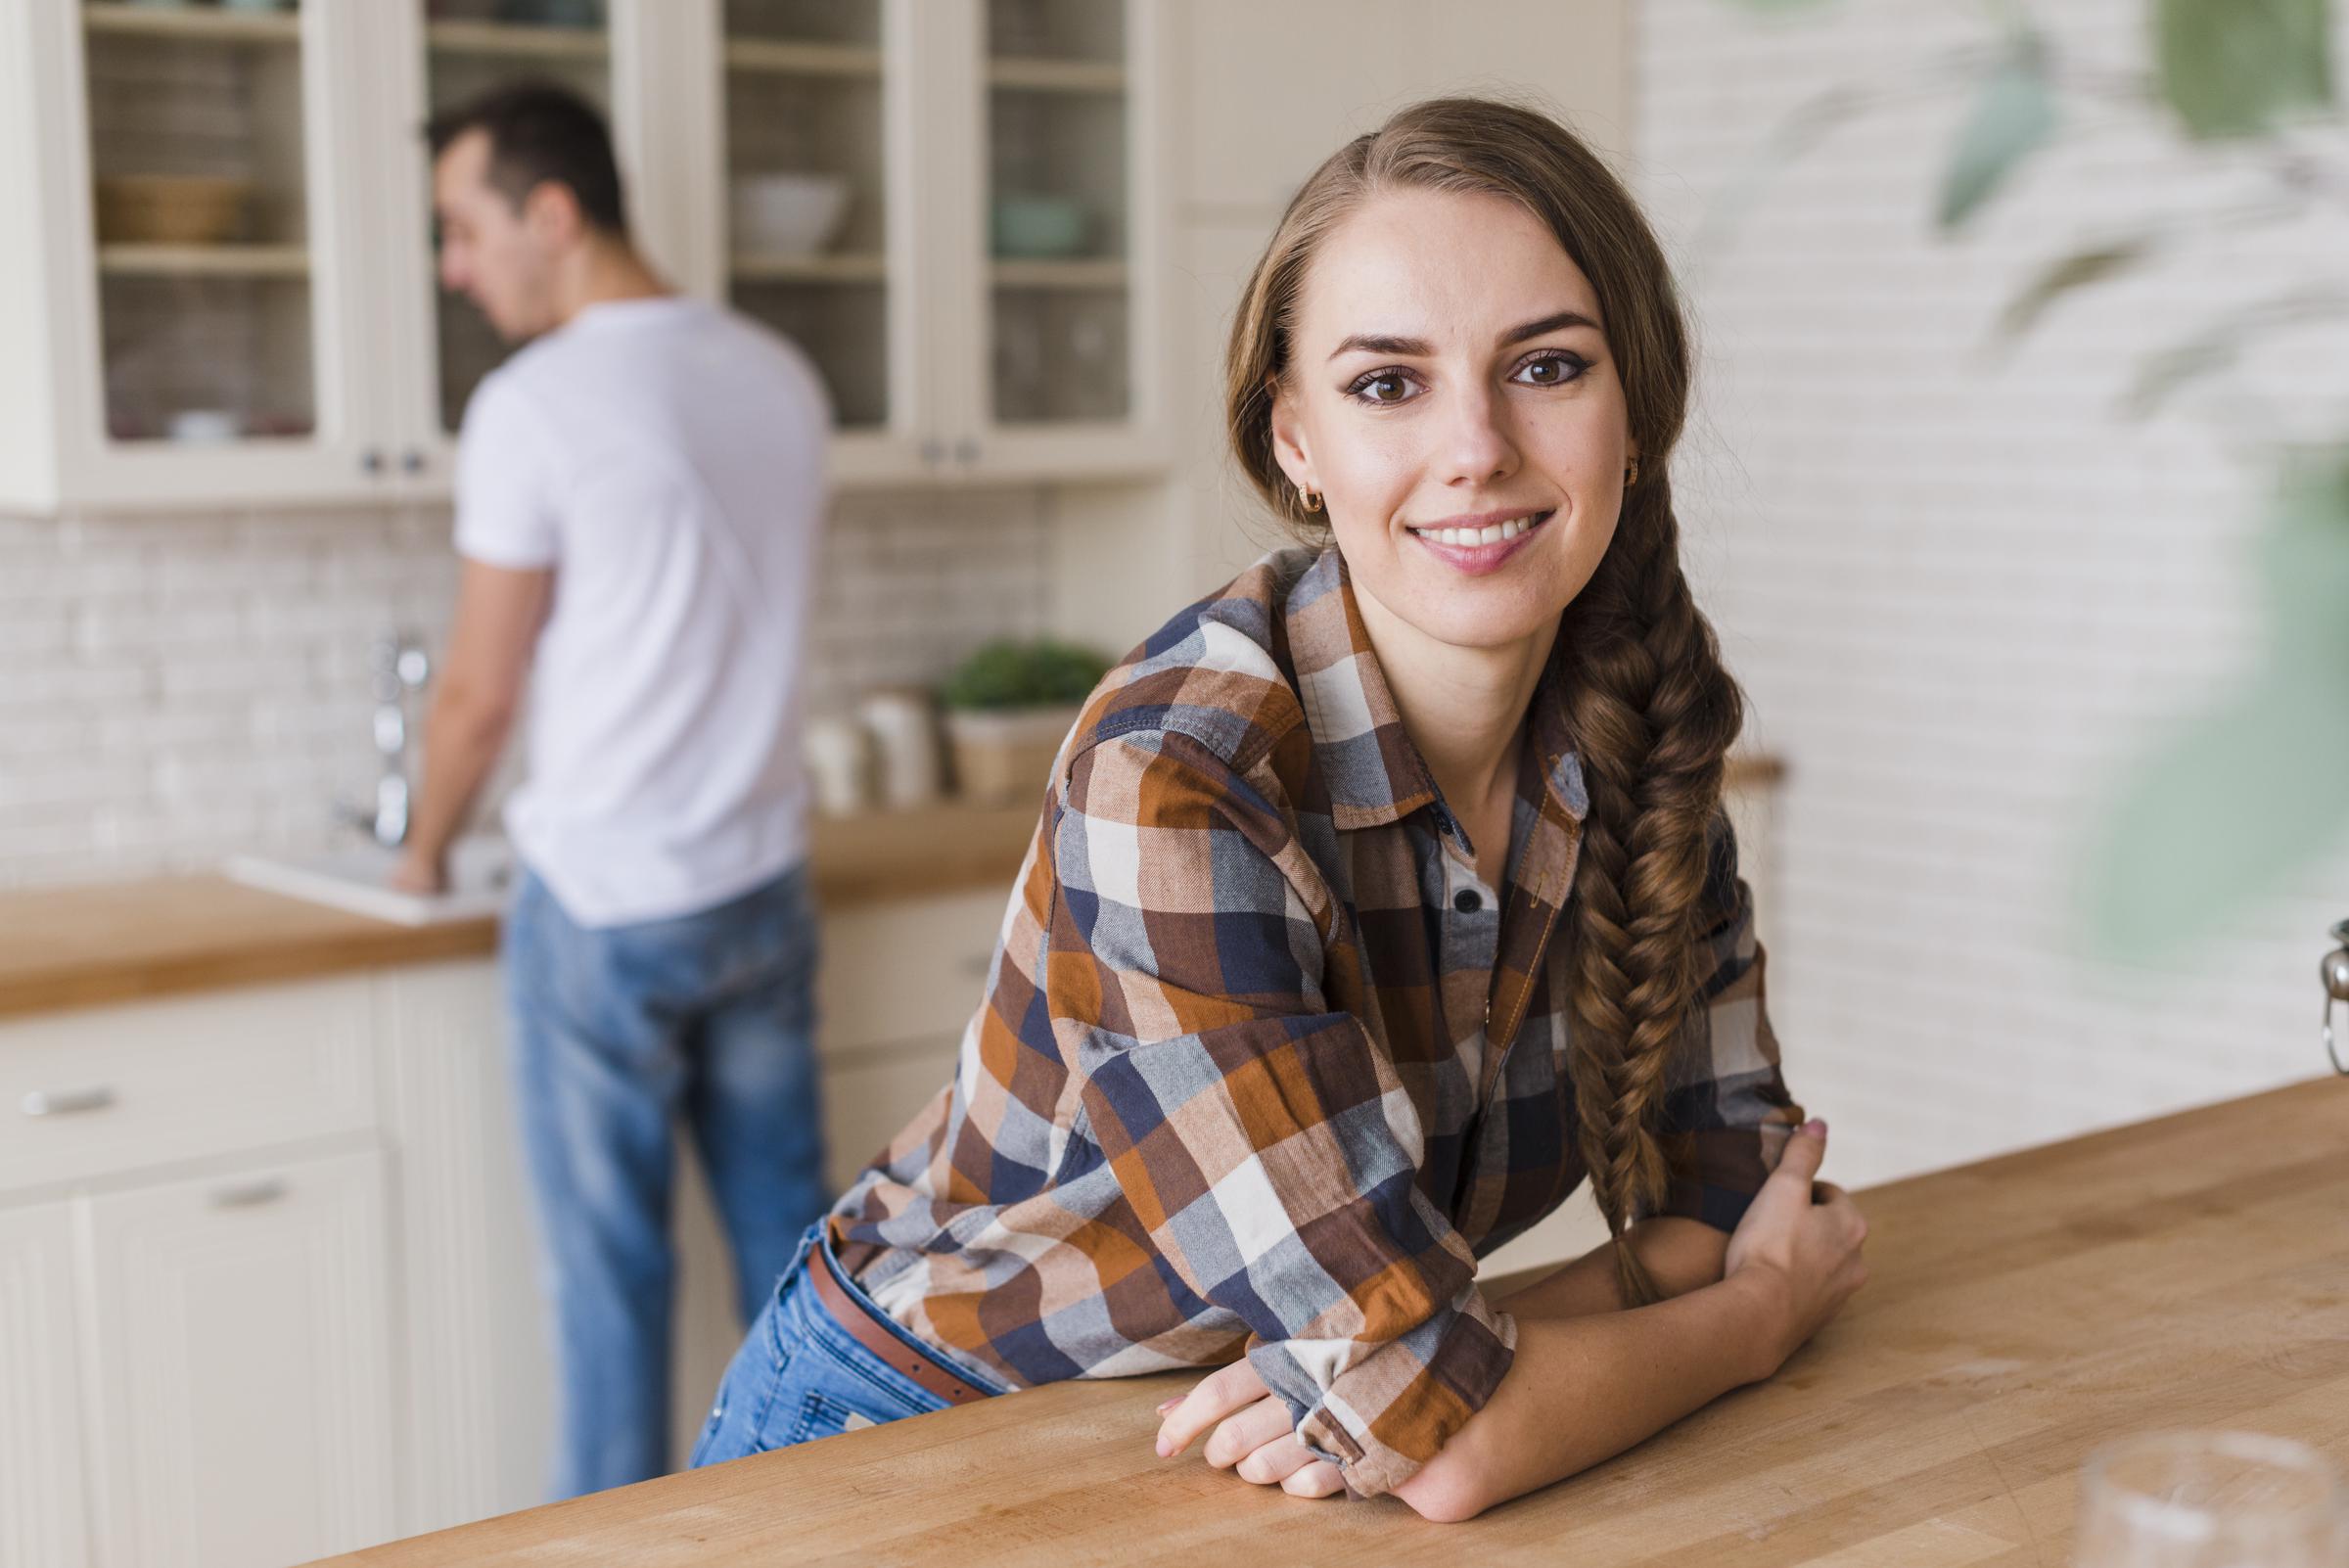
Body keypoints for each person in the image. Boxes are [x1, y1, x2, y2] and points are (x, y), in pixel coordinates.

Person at [689, 95, 1868, 1521]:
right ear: (1293, 435)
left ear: (1639, 414)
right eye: (1389, 386)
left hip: (1229, 1439)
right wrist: (1744, 1327)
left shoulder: (1633, 725)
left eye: (1546, 366)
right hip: (909, 1436)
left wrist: (1428, 1364)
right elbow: (1455, 1438)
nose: (1477, 445)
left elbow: (1736, 1199)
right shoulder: (1179, 779)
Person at [392, 81, 836, 1498]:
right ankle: (851, 1524)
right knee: (800, 1275)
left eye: (463, 229)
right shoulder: (780, 374)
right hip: (760, 888)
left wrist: (418, 854)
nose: (455, 268)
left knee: (611, 1293)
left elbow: (476, 693)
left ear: (553, 213)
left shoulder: (534, 404)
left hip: (602, 910)